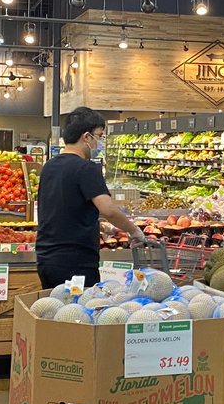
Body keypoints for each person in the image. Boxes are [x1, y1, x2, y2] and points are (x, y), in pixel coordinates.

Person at [36, 107, 146, 289]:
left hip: (47, 259)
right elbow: (108, 210)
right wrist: (134, 231)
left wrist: (96, 224)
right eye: (99, 136)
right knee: (77, 315)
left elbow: (63, 207)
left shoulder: (49, 166)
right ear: (86, 137)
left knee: (55, 313)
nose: (99, 142)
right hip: (76, 262)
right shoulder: (86, 169)